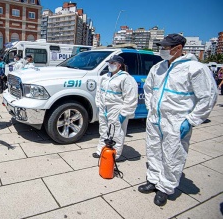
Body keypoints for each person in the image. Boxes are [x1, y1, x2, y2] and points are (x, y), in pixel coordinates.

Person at [138, 34, 217, 206]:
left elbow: (208, 97)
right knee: (153, 150)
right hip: (156, 118)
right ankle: (153, 179)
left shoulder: (195, 68)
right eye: (162, 47)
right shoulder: (158, 67)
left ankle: (165, 188)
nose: (162, 50)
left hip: (177, 120)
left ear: (178, 48)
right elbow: (149, 88)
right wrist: (151, 109)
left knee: (173, 154)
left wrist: (191, 120)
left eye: (166, 48)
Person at [92, 55, 138, 160]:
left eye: (113, 63)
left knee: (116, 132)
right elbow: (99, 91)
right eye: (109, 63)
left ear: (119, 65)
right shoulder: (105, 77)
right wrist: (99, 104)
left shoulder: (126, 78)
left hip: (116, 108)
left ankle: (114, 155)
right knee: (103, 130)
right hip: (104, 107)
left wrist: (125, 113)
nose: (110, 65)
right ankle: (101, 151)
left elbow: (131, 97)